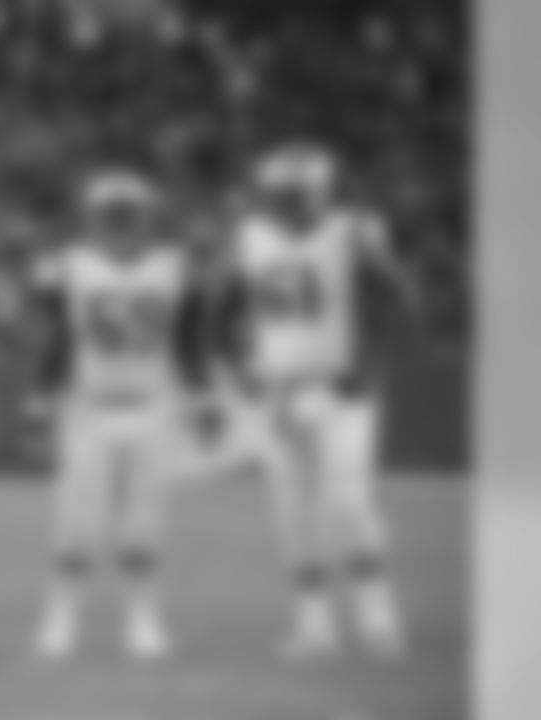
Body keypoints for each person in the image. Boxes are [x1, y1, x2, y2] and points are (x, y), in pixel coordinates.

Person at [213, 142, 416, 658]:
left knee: (349, 501)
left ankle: (377, 618)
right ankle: (314, 626)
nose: (290, 203)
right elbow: (219, 314)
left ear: (322, 189)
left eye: (298, 193)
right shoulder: (250, 239)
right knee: (293, 515)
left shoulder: (351, 233)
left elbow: (397, 302)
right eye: (281, 194)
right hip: (279, 394)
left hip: (339, 388)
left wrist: (366, 369)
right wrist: (243, 374)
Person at [28, 169, 199, 660]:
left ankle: (143, 620)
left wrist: (203, 392)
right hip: (88, 406)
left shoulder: (173, 266)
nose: (121, 224)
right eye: (111, 214)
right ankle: (60, 618)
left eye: (129, 213)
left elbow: (189, 339)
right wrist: (38, 398)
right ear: (93, 218)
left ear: (147, 217)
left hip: (153, 404)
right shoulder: (69, 265)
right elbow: (54, 339)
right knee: (76, 522)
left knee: (144, 522)